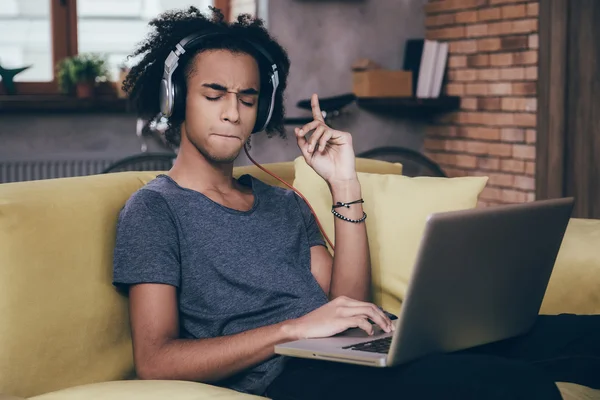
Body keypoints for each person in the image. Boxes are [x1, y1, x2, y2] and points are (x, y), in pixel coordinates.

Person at [113, 6, 600, 399]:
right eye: (213, 94)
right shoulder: (155, 210)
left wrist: (345, 183)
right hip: (290, 378)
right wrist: (294, 329)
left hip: (348, 352)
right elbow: (156, 359)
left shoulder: (283, 202)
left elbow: (347, 301)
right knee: (511, 386)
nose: (232, 111)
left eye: (247, 97)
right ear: (176, 99)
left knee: (588, 338)